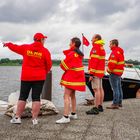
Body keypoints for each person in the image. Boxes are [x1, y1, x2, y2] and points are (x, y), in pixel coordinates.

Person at [3, 33, 52, 124]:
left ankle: (17, 118)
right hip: (39, 77)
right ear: (41, 40)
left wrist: (8, 44)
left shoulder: (26, 48)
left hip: (26, 76)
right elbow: (49, 64)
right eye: (43, 39)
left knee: (22, 97)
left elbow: (15, 47)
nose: (44, 41)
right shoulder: (45, 51)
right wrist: (43, 72)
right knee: (36, 98)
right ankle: (35, 119)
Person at [56, 37, 86, 124]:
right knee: (72, 95)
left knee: (66, 96)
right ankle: (73, 113)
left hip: (71, 77)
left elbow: (63, 66)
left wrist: (62, 62)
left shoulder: (72, 54)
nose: (69, 44)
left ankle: (65, 116)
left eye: (70, 43)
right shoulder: (79, 54)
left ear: (73, 44)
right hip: (77, 78)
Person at [86, 34, 106, 115]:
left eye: (92, 39)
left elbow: (94, 61)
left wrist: (91, 74)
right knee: (100, 89)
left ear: (96, 39)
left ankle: (95, 108)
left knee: (96, 90)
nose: (91, 40)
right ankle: (100, 106)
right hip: (100, 72)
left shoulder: (96, 47)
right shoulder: (101, 47)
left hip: (96, 72)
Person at [106, 39, 125, 109]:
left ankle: (115, 104)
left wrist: (108, 70)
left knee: (115, 89)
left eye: (110, 44)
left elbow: (112, 63)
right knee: (119, 88)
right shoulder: (120, 52)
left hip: (114, 73)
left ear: (114, 44)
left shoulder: (114, 52)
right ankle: (119, 102)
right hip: (119, 73)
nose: (109, 46)